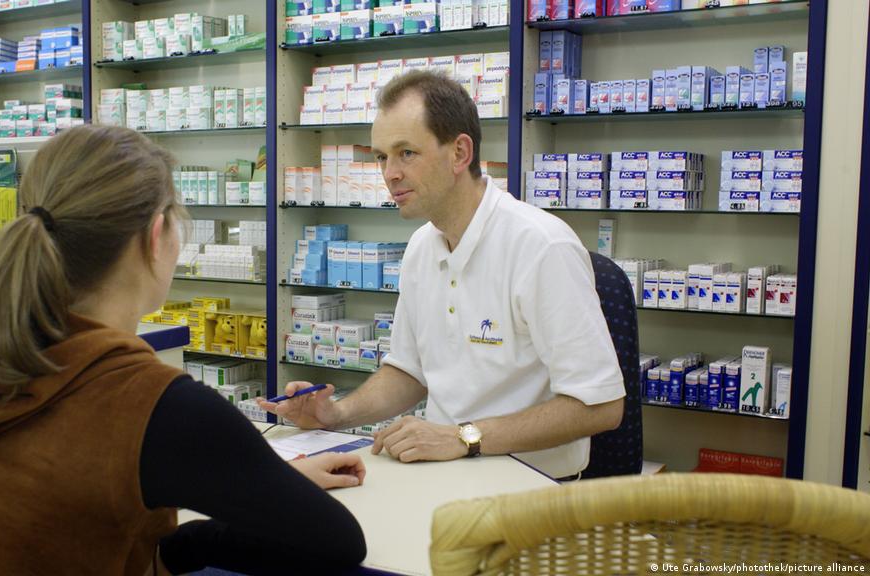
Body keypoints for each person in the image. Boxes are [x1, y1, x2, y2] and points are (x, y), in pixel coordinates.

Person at [0, 125, 367, 575]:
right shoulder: (155, 403)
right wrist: (226, 516)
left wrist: (255, 486)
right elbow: (339, 541)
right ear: (156, 236)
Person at [260, 71, 625, 480]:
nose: (390, 173)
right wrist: (336, 414)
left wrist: (462, 437)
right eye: (382, 157)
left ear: (459, 153)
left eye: (406, 153)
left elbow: (601, 406)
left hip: (530, 487)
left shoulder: (541, 247)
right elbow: (408, 373)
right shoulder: (422, 246)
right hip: (443, 474)